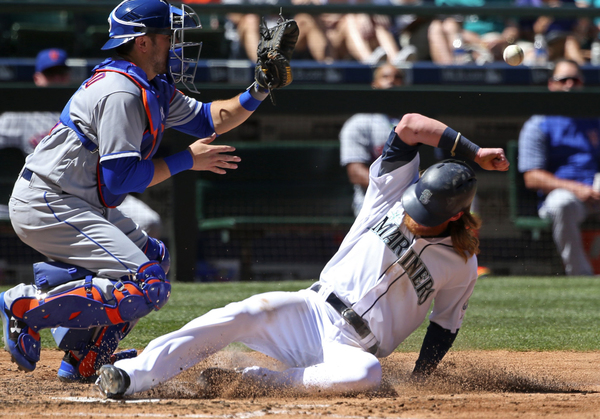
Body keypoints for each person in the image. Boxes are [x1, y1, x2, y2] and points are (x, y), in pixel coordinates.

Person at [95, 112, 509, 398]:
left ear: (456, 215)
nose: (413, 215)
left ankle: (261, 381)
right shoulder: (392, 191)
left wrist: (420, 381)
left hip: (354, 350)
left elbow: (444, 326)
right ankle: (132, 375)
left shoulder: (461, 263)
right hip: (312, 311)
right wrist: (473, 152)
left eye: (426, 214)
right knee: (240, 313)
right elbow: (410, 125)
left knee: (368, 374)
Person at [0, 0, 289, 383]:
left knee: (155, 257)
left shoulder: (149, 86)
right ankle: (26, 307)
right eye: (167, 36)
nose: (174, 43)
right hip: (49, 201)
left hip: (77, 201)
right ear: (142, 42)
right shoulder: (120, 92)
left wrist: (260, 87)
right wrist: (187, 160)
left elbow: (210, 119)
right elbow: (121, 179)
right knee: (146, 285)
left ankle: (85, 357)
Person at [0, 48, 163, 238]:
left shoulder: (86, 102)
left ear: (68, 76)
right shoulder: (21, 115)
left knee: (149, 222)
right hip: (55, 192)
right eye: (50, 74)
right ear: (37, 78)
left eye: (61, 73)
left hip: (98, 189)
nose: (56, 79)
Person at [518, 59, 600, 275]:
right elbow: (532, 177)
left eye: (575, 80)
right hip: (565, 196)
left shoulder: (594, 119)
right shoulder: (538, 123)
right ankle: (581, 277)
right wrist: (577, 189)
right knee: (562, 204)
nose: (570, 84)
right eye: (563, 80)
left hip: (595, 190)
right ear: (551, 84)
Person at [339, 63, 403, 217]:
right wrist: (394, 189)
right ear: (374, 84)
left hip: (410, 204)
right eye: (385, 76)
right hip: (372, 206)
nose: (392, 80)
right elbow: (355, 172)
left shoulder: (416, 121)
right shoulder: (359, 122)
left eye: (397, 77)